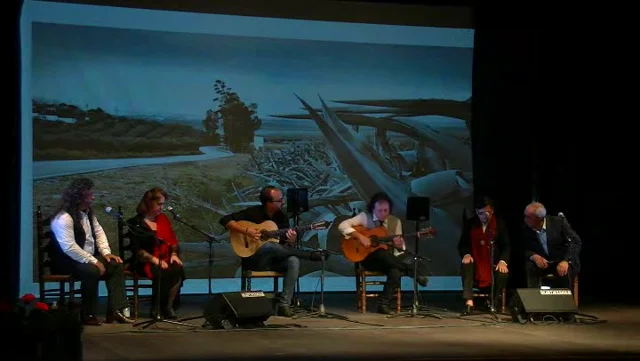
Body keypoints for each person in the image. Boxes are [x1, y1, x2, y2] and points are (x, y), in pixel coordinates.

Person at [219, 186, 329, 317]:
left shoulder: (282, 217)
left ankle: (284, 305)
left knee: (293, 260)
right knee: (269, 245)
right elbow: (224, 220)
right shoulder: (253, 212)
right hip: (254, 260)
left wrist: (291, 239)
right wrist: (246, 231)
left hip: (275, 261)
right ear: (269, 203)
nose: (283, 202)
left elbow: (285, 248)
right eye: (280, 200)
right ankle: (309, 255)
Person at [49, 177, 134, 325]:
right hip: (67, 261)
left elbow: (99, 233)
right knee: (91, 270)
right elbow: (69, 247)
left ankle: (117, 310)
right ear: (79, 197)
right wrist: (94, 261)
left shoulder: (88, 214)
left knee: (115, 264)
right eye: (89, 194)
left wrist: (106, 253)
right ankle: (88, 313)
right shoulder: (64, 218)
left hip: (87, 258)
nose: (93, 197)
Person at [338, 192, 428, 314]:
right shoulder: (365, 217)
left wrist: (399, 244)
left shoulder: (395, 222)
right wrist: (360, 236)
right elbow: (342, 226)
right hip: (367, 258)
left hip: (387, 259)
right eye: (379, 210)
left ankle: (383, 304)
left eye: (386, 210)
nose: (383, 213)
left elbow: (400, 248)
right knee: (380, 252)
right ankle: (412, 271)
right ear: (373, 209)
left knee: (395, 272)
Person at [126, 187, 184, 319]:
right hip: (144, 261)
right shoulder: (136, 223)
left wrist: (174, 254)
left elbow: (172, 240)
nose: (162, 207)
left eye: (163, 204)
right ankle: (156, 307)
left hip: (165, 258)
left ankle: (168, 307)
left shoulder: (163, 219)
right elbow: (137, 250)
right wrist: (155, 260)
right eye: (159, 204)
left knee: (177, 268)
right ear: (149, 203)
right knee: (160, 270)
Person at [458, 196, 510, 314]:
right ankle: (469, 302)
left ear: (492, 211)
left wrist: (503, 261)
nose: (485, 216)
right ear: (477, 212)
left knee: (502, 272)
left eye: (488, 212)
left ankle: (494, 302)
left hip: (494, 262)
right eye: (481, 213)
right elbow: (463, 244)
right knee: (466, 265)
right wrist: (466, 254)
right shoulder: (470, 224)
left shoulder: (499, 224)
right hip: (476, 261)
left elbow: (506, 245)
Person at [522, 202, 582, 289]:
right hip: (544, 263)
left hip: (562, 261)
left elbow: (576, 242)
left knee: (564, 271)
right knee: (530, 265)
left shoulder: (558, 222)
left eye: (528, 217)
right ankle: (534, 299)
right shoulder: (526, 228)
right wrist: (533, 256)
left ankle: (564, 300)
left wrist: (566, 261)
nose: (525, 219)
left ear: (538, 218)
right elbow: (522, 247)